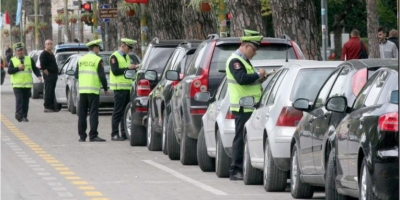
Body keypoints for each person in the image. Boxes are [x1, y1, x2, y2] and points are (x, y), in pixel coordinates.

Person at [225, 29, 268, 181]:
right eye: (254, 50)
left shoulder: (243, 60)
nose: (255, 53)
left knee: (245, 138)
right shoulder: (235, 61)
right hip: (243, 106)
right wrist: (258, 74)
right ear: (246, 46)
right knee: (240, 138)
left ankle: (242, 168)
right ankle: (235, 170)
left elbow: (248, 81)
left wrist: (260, 79)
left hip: (250, 106)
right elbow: (242, 78)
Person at [75, 39, 109, 142]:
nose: (99, 50)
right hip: (93, 90)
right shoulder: (97, 59)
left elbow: (76, 74)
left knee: (82, 114)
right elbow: (102, 76)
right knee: (93, 113)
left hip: (83, 90)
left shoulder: (81, 59)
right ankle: (93, 135)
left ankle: (82, 136)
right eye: (98, 48)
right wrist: (106, 88)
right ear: (94, 48)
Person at [109, 38, 137, 141]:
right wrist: (128, 68)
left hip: (127, 88)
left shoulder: (127, 57)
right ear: (123, 46)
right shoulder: (114, 56)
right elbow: (115, 71)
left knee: (126, 112)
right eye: (128, 48)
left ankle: (124, 133)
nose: (129, 50)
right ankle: (114, 133)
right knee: (118, 111)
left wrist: (134, 68)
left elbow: (128, 71)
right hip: (119, 88)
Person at [7, 42, 42, 122]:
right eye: (18, 50)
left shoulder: (29, 59)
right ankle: (18, 115)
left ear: (24, 51)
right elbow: (9, 71)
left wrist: (39, 76)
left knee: (26, 101)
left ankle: (24, 116)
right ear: (15, 52)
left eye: (21, 50)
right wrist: (18, 68)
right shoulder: (12, 60)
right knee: (19, 100)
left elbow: (35, 68)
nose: (20, 52)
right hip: (17, 85)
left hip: (27, 84)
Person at [40, 39, 59, 112]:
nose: (50, 45)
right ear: (45, 45)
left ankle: (52, 106)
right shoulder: (44, 54)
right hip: (49, 75)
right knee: (48, 91)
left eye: (51, 44)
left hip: (54, 74)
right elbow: (43, 66)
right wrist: (48, 74)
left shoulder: (51, 53)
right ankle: (47, 106)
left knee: (52, 91)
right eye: (48, 44)